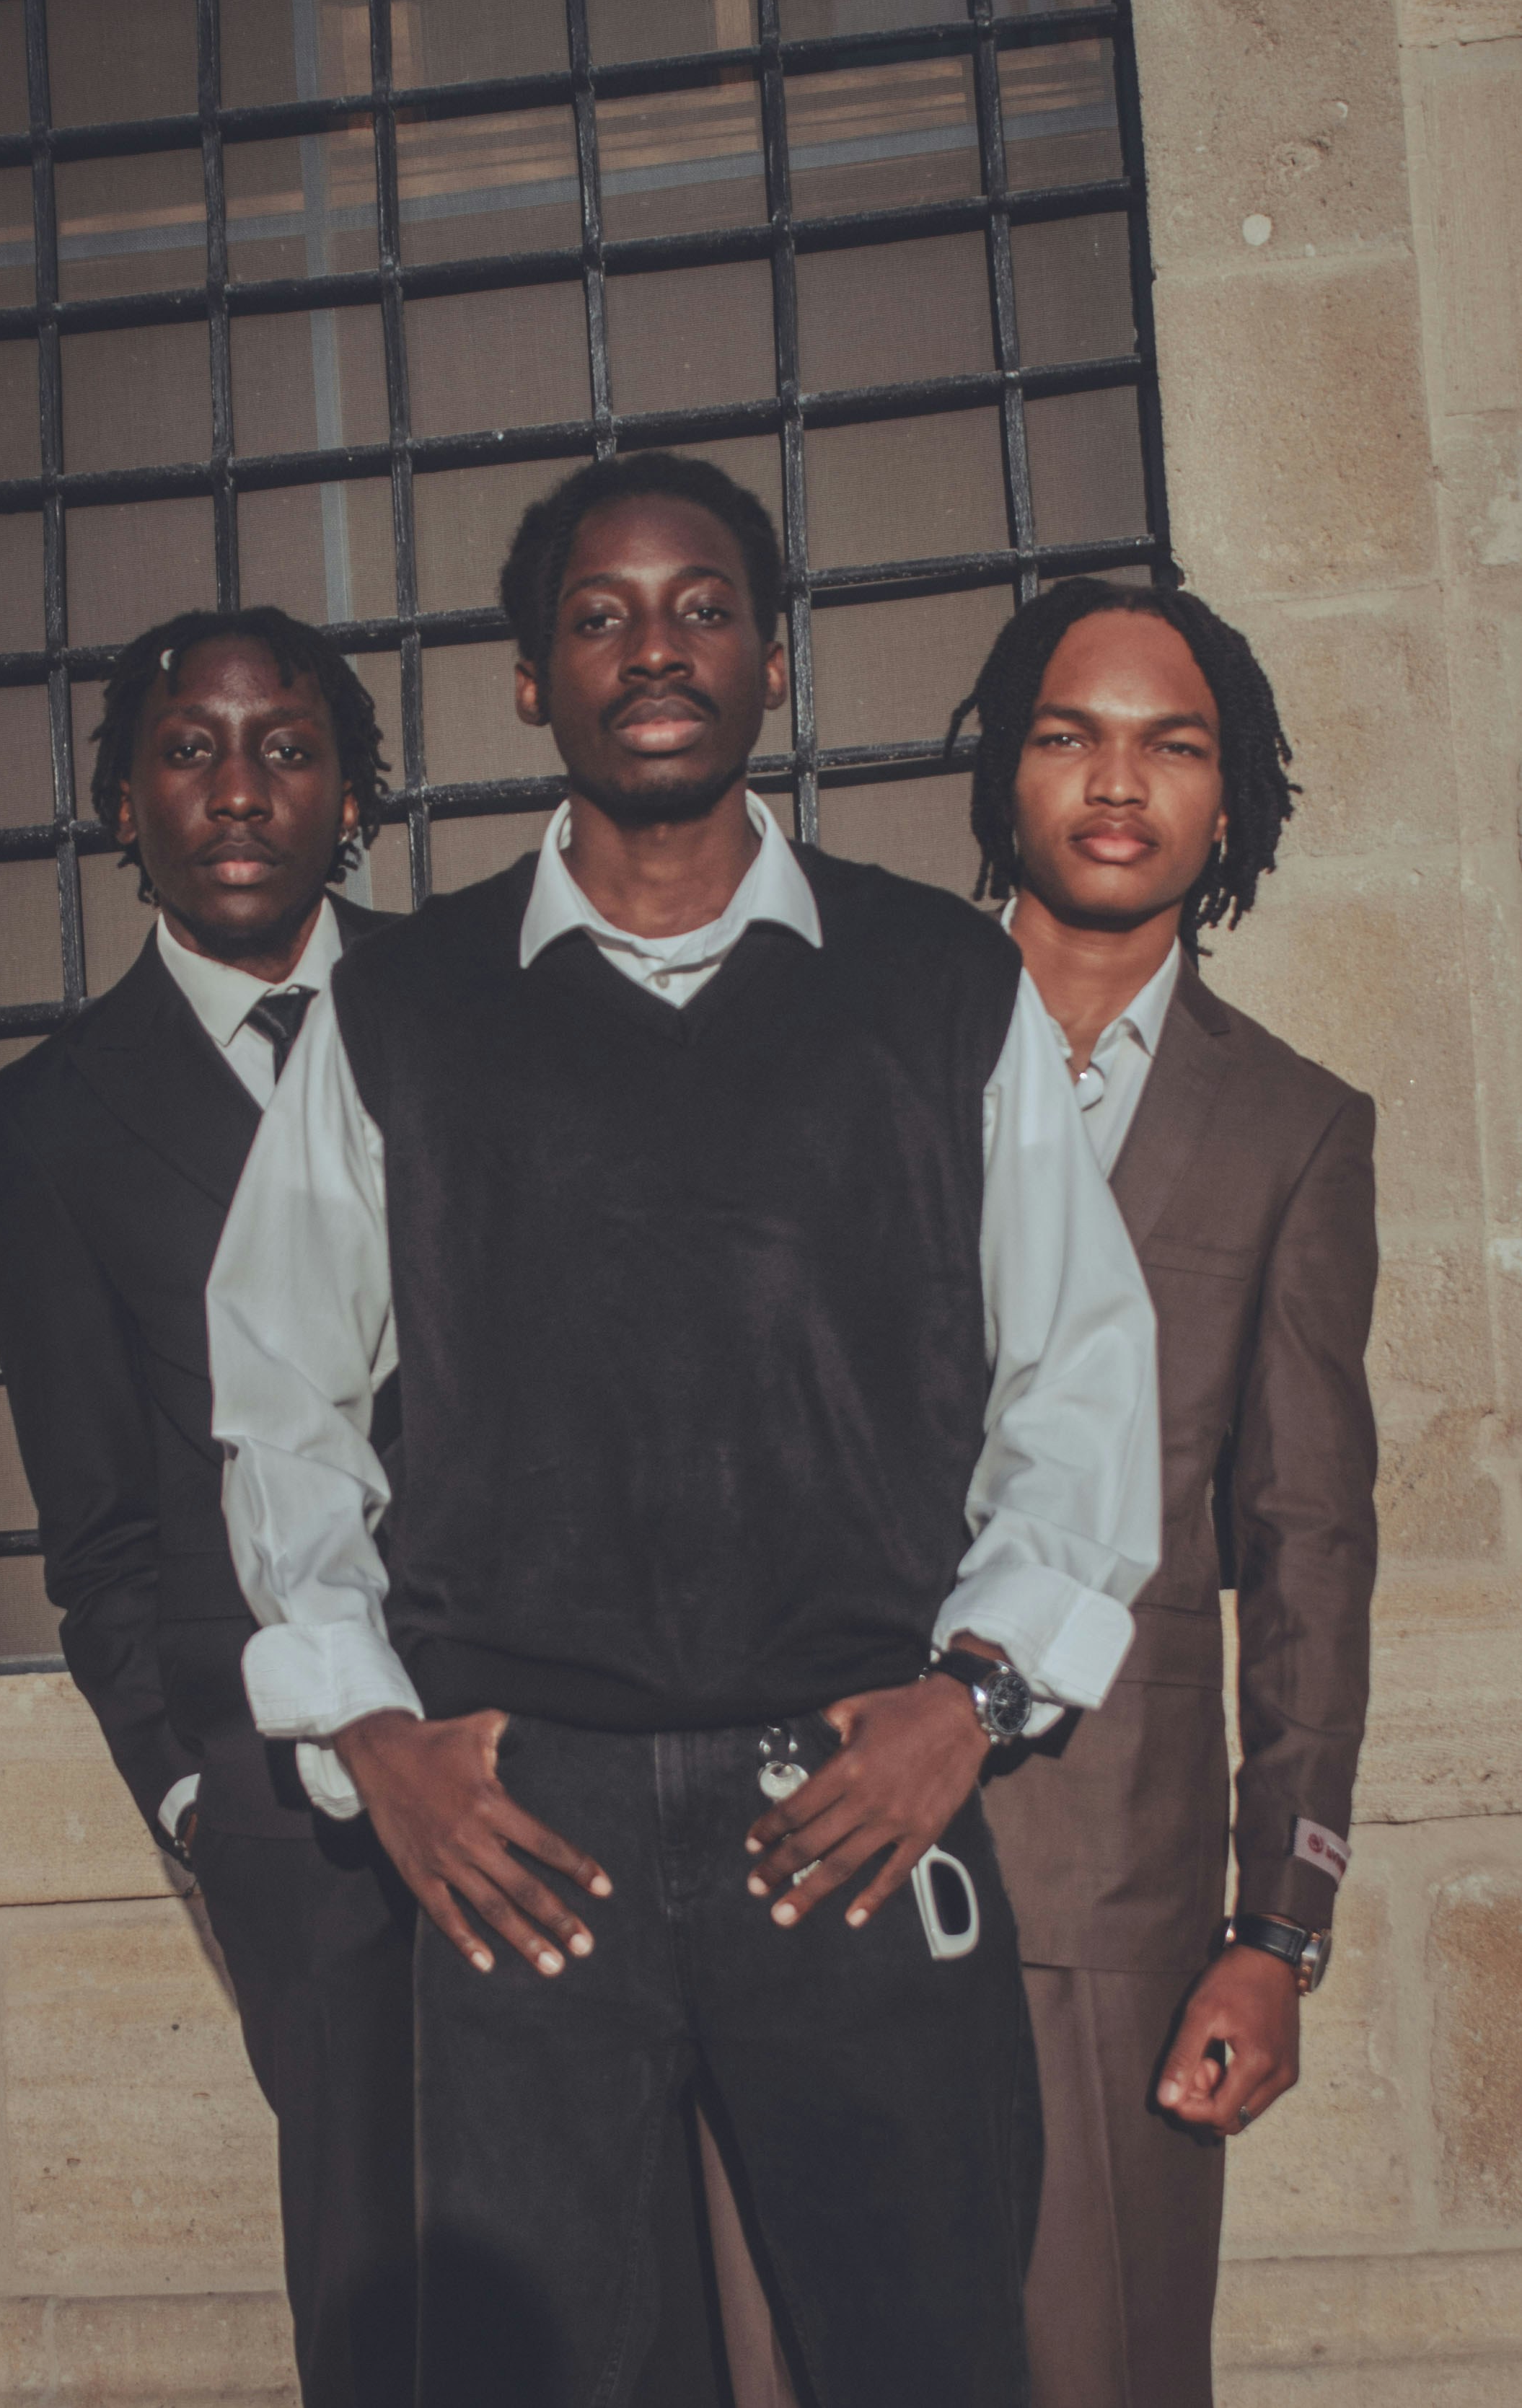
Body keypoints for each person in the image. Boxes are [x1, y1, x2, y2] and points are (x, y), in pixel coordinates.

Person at [206, 451, 1164, 2408]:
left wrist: (970, 1694)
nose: (655, 646)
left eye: (703, 604)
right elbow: (279, 1388)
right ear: (528, 680)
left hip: (852, 1798)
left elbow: (1081, 1365)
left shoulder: (935, 983)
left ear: (773, 659)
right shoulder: (402, 1005)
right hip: (518, 1824)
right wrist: (366, 1730)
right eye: (601, 611)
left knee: (928, 2363)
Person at [0, 609, 416, 2408]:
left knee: (608, 2241)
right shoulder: (51, 1121)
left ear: (354, 796)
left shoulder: (479, 1005)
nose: (240, 789)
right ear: (121, 804)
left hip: (541, 1731)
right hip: (283, 1809)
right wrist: (189, 1785)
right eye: (190, 749)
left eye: (287, 746)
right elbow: (99, 1525)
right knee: (382, 2276)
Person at [953, 578, 1378, 2408]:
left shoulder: (1291, 1128)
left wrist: (1273, 1935)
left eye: (1170, 743)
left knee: (1093, 2372)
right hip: (794, 1850)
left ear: (1229, 802)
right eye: (1071, 734)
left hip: (1110, 1889)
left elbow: (1305, 1554)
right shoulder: (861, 1038)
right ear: (1006, 769)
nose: (1116, 782)